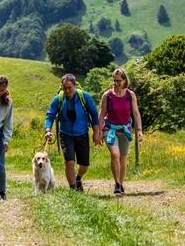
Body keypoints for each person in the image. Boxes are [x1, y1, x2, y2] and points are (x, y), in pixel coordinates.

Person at [45, 74, 101, 191]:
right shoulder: (58, 98)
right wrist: (48, 130)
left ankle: (78, 178)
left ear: (74, 85)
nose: (67, 90)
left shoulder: (84, 97)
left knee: (84, 165)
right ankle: (73, 189)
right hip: (65, 135)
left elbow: (94, 115)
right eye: (64, 88)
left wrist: (96, 133)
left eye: (69, 87)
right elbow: (50, 116)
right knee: (69, 162)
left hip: (82, 134)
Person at [99, 68, 143, 196]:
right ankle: (117, 183)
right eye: (114, 80)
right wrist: (100, 131)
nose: (116, 83)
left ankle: (121, 183)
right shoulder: (107, 95)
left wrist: (139, 130)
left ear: (125, 81)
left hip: (125, 129)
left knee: (123, 158)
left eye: (119, 80)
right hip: (110, 129)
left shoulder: (130, 95)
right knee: (115, 154)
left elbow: (135, 113)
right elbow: (102, 114)